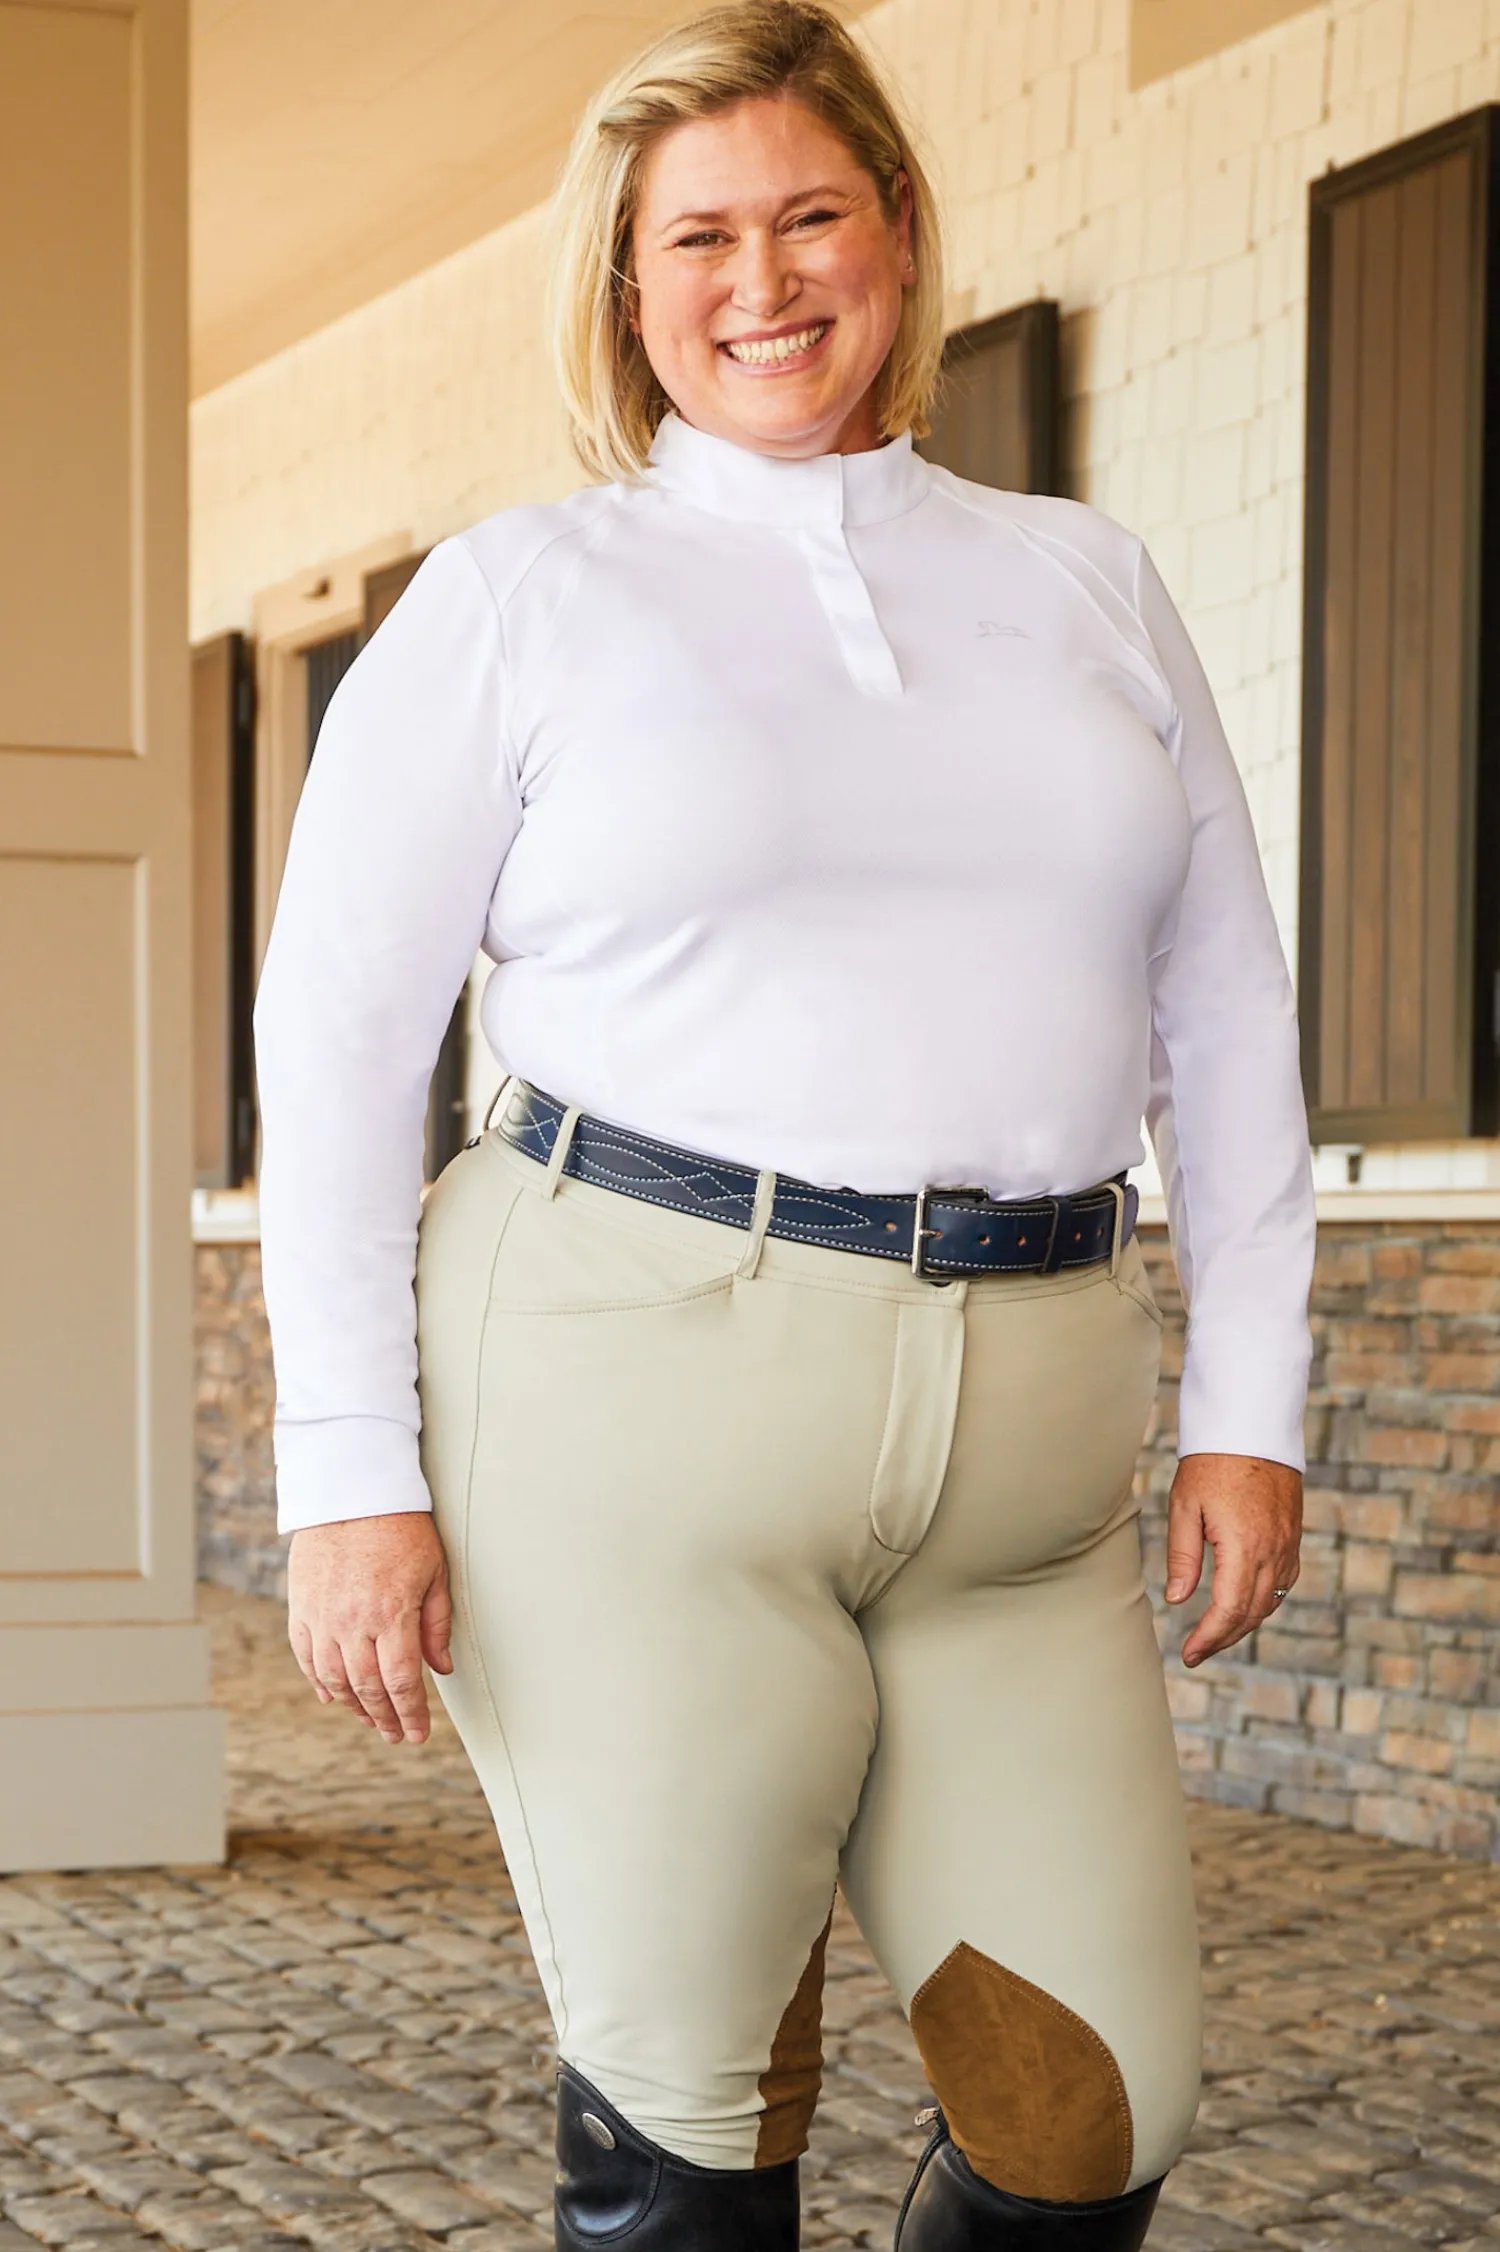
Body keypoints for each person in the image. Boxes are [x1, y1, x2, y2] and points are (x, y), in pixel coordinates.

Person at [252, 4, 1316, 2245]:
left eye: (812, 215)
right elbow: (339, 1040)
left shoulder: (1087, 581)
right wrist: (350, 1474)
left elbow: (1223, 1013)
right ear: (627, 286)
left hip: (1030, 1456)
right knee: (698, 2097)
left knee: (1096, 2118)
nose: (765, 280)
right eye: (700, 237)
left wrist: (1254, 1412)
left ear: (901, 232)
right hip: (624, 1414)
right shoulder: (521, 597)